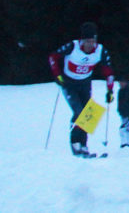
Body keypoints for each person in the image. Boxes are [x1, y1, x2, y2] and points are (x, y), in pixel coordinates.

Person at [48, 21, 115, 157]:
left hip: (84, 83)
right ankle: (75, 143)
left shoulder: (101, 50)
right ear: (82, 40)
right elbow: (53, 57)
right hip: (69, 83)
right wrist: (57, 75)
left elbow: (108, 71)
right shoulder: (72, 46)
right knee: (79, 112)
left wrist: (110, 90)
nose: (90, 45)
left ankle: (84, 146)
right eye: (87, 41)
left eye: (92, 41)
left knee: (89, 113)